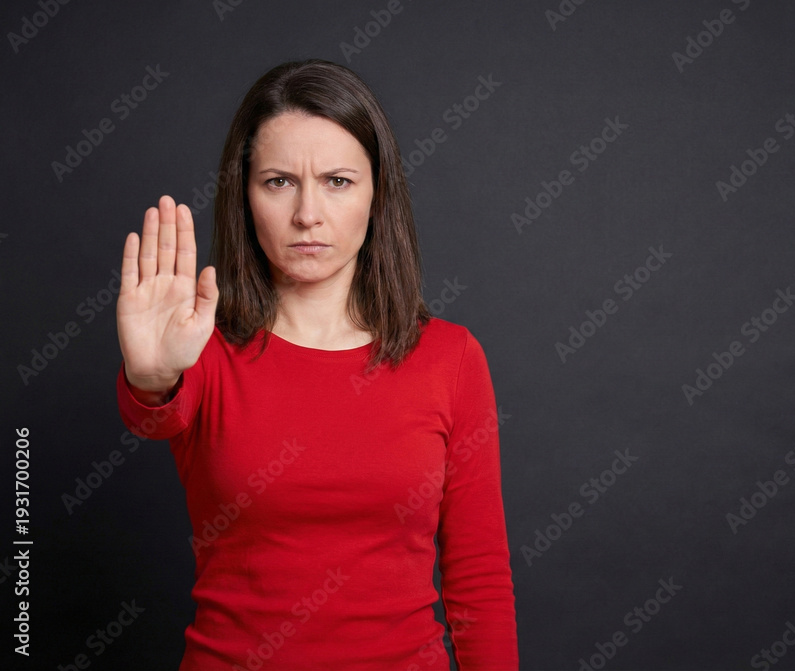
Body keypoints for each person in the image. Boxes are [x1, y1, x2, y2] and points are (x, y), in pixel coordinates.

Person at [114, 59, 518, 670]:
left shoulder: (451, 358)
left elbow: (479, 578)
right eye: (279, 181)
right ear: (245, 196)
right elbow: (153, 416)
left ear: (377, 193)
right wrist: (150, 379)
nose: (308, 213)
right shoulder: (199, 346)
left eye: (337, 181)